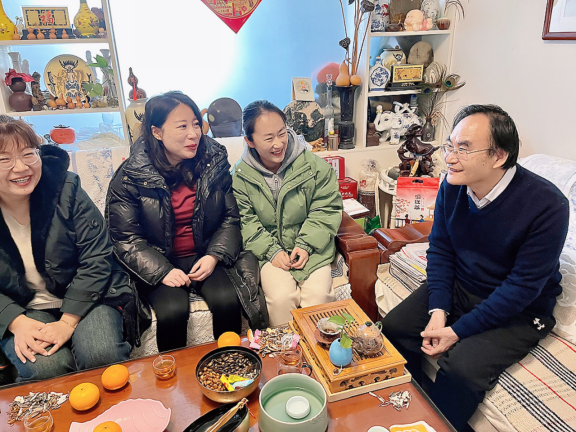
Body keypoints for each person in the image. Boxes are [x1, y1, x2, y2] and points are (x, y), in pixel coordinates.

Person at [381, 105, 569, 431]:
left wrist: (457, 331)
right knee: (395, 327)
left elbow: (522, 287)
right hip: (462, 286)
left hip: (520, 309)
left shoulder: (548, 206)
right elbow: (441, 249)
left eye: (463, 149)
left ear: (499, 156)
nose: (449, 158)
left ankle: (438, 425)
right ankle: (409, 409)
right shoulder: (452, 185)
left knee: (461, 369)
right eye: (449, 146)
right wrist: (438, 309)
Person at [106, 92, 267, 353]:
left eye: (195, 124)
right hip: (158, 258)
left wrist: (214, 256)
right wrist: (162, 272)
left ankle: (229, 366)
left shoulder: (213, 163)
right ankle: (175, 377)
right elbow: (125, 239)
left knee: (227, 300)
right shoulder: (131, 175)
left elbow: (230, 218)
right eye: (182, 126)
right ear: (157, 132)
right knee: (172, 311)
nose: (193, 134)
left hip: (204, 252)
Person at [0, 119, 135, 382]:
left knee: (102, 355)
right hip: (23, 306)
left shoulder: (65, 189)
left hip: (90, 295)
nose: (21, 167)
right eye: (4, 159)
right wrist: (16, 321)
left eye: (28, 154)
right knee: (46, 368)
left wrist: (67, 322)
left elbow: (97, 255)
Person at [232, 100, 343, 326]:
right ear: (249, 141)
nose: (278, 143)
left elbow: (326, 208)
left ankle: (318, 348)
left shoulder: (314, 166)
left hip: (313, 248)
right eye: (268, 138)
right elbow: (245, 221)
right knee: (281, 299)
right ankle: (286, 348)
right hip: (269, 253)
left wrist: (306, 245)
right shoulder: (240, 176)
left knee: (319, 298)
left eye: (282, 133)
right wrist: (272, 251)